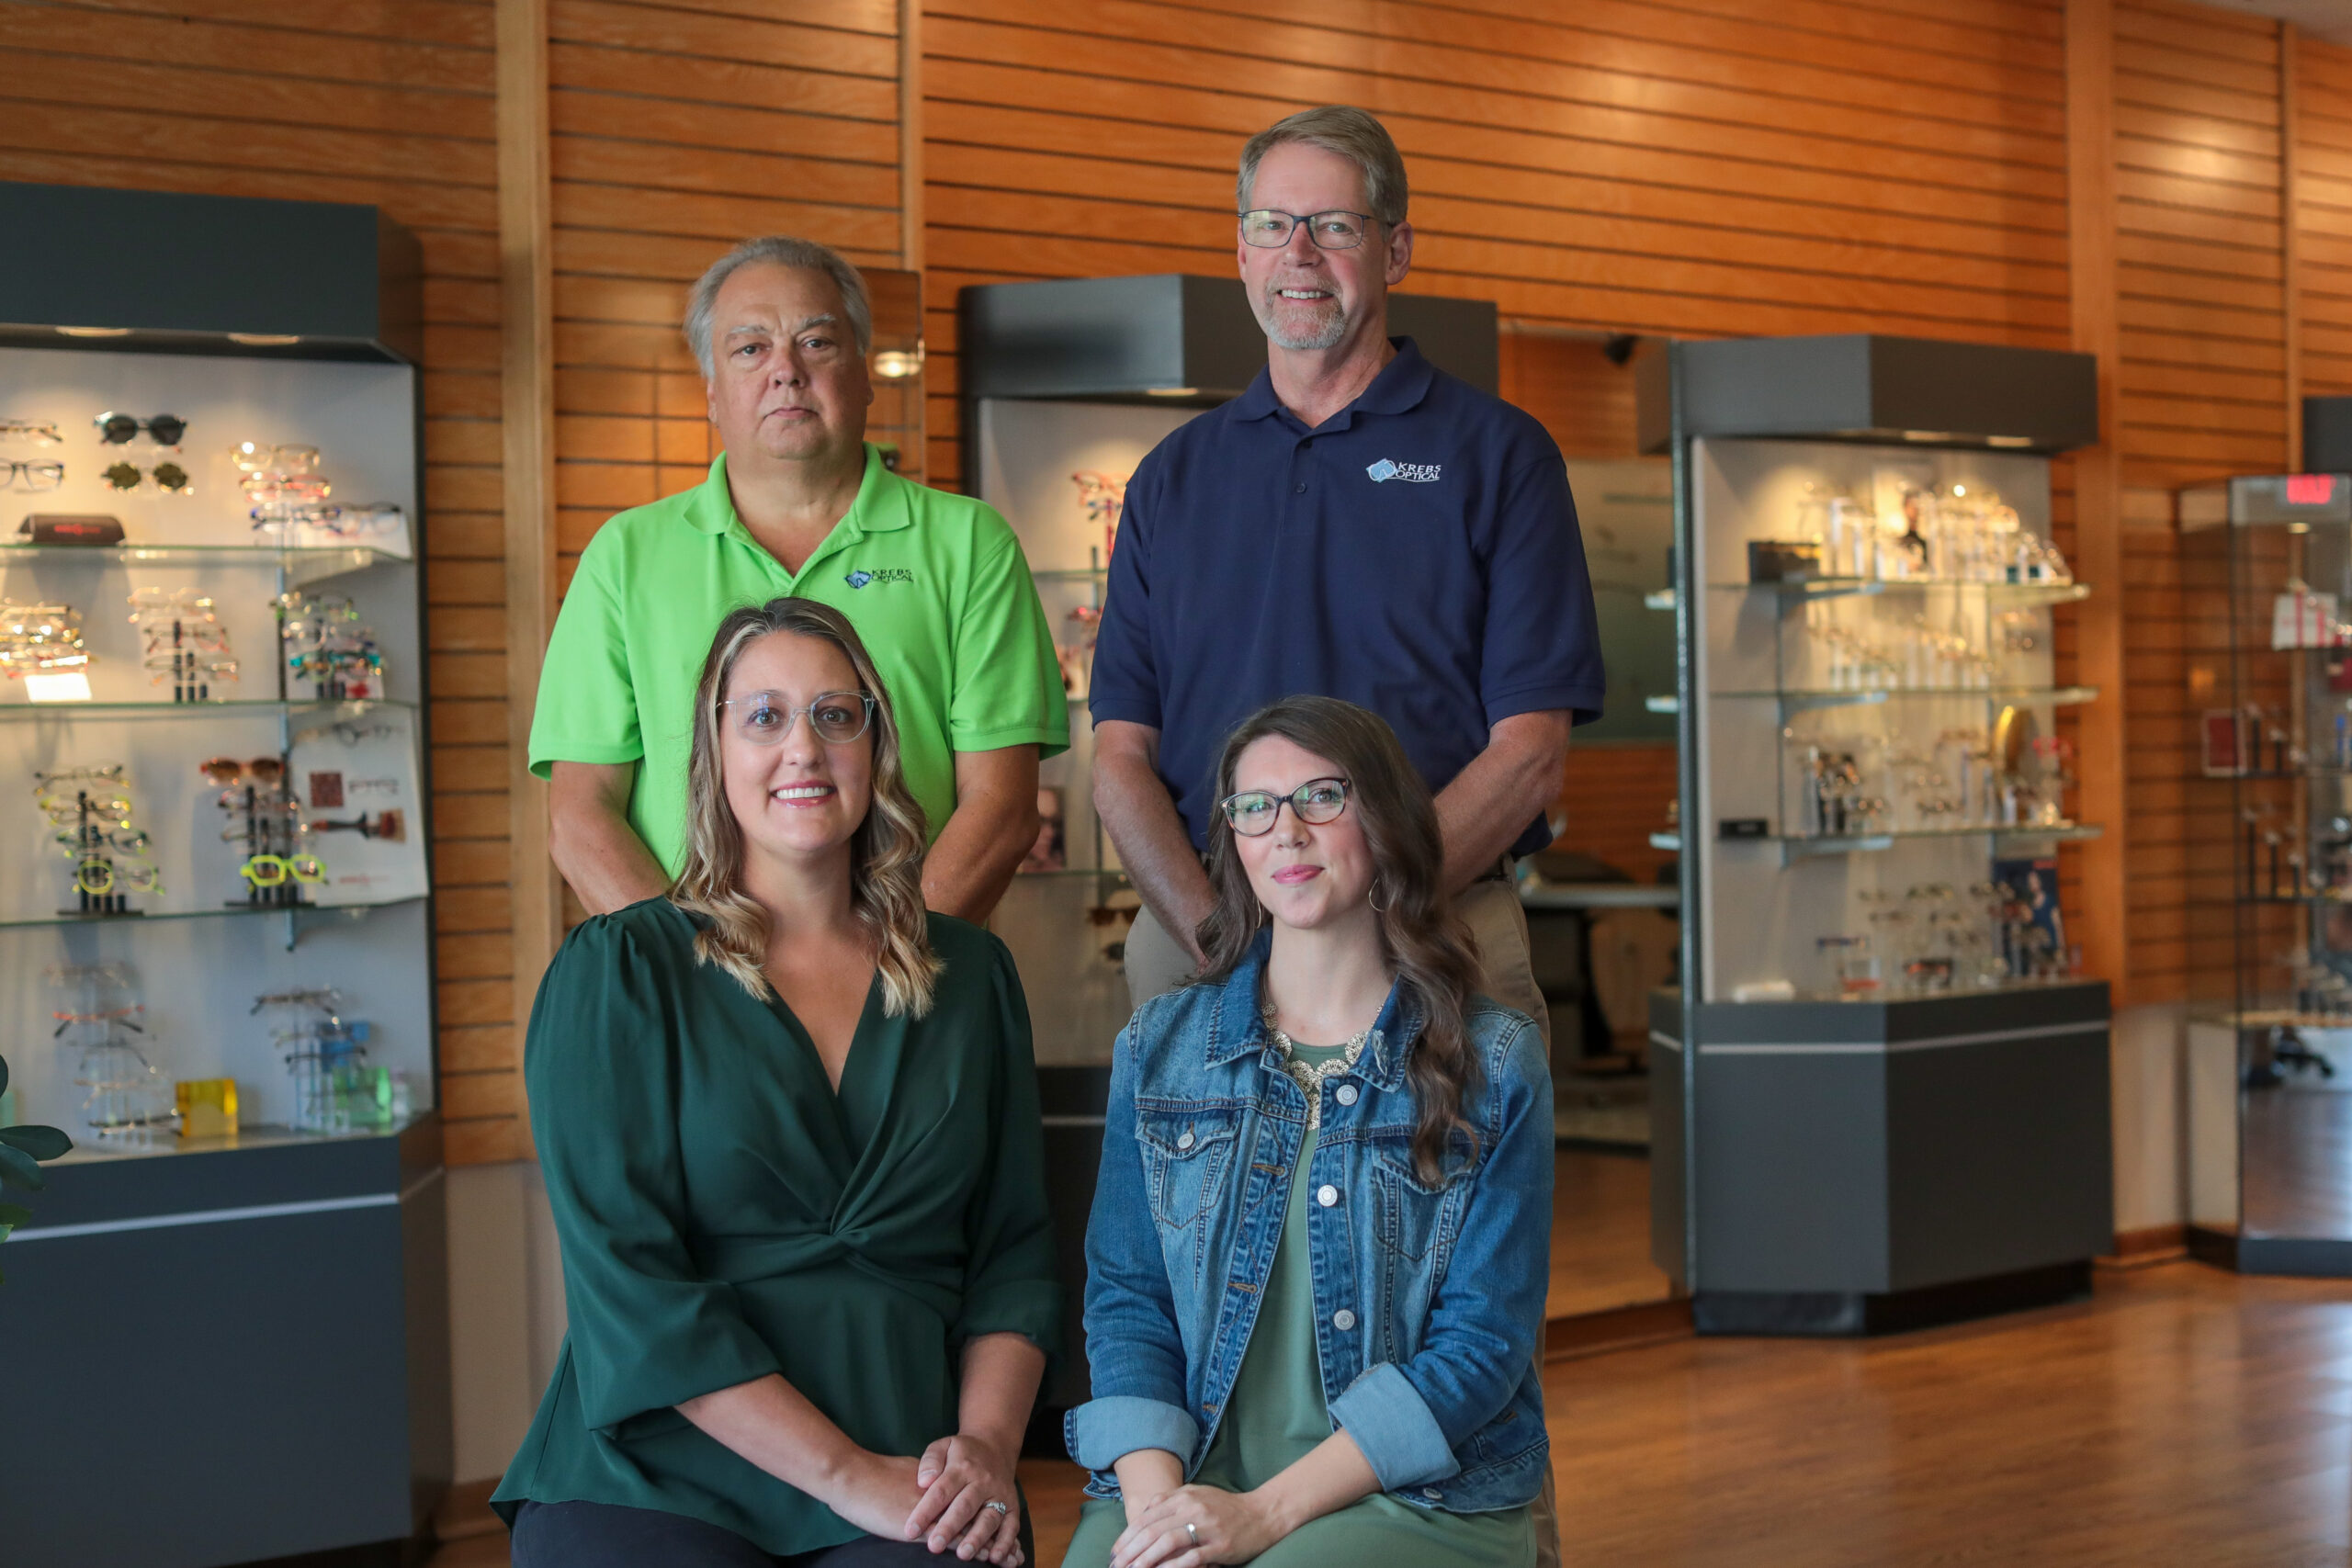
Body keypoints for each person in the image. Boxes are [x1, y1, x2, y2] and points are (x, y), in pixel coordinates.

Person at [493, 598, 1059, 1567]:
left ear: (874, 745)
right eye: (763, 716)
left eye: (836, 715)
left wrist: (986, 1453)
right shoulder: (617, 972)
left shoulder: (971, 977)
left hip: (912, 1453)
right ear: (714, 751)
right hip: (661, 1463)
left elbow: (1013, 1253)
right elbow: (629, 1286)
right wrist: (846, 1475)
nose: (803, 747)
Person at [1089, 105, 1605, 1036]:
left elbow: (1529, 753)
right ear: (1241, 252)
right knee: (1194, 1192)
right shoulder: (1171, 478)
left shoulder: (1499, 457)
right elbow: (1121, 756)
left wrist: (1360, 922)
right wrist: (1220, 936)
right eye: (1270, 226)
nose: (1298, 254)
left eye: (1333, 227)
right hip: (1205, 942)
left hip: (1434, 930)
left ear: (1394, 251)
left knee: (1449, 1188)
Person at [1064, 695, 1553, 1568]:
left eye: (1321, 797)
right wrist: (1157, 1510)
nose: (1284, 830)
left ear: (1386, 822)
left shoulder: (1495, 1059)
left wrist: (1260, 1516)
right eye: (1255, 806)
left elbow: (1480, 1351)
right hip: (1189, 1466)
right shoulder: (1160, 1048)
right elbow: (1127, 1302)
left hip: (1412, 1496)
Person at [532, 235, 1067, 923]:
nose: (785, 371)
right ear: (712, 394)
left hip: (912, 985)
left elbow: (1002, 808)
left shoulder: (969, 544)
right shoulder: (623, 555)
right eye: (750, 348)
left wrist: (881, 976)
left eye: (816, 342)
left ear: (866, 372)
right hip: (692, 998)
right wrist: (696, 981)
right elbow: (580, 815)